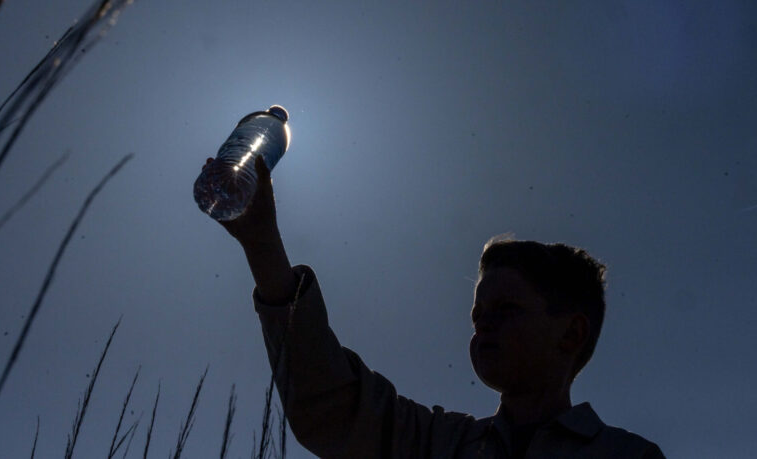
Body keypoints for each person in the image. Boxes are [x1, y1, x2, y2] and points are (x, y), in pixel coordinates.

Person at [209, 155, 665, 458]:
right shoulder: (442, 444)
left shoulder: (626, 455)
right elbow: (333, 406)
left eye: (506, 309)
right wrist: (263, 243)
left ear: (571, 334)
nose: (483, 326)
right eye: (477, 315)